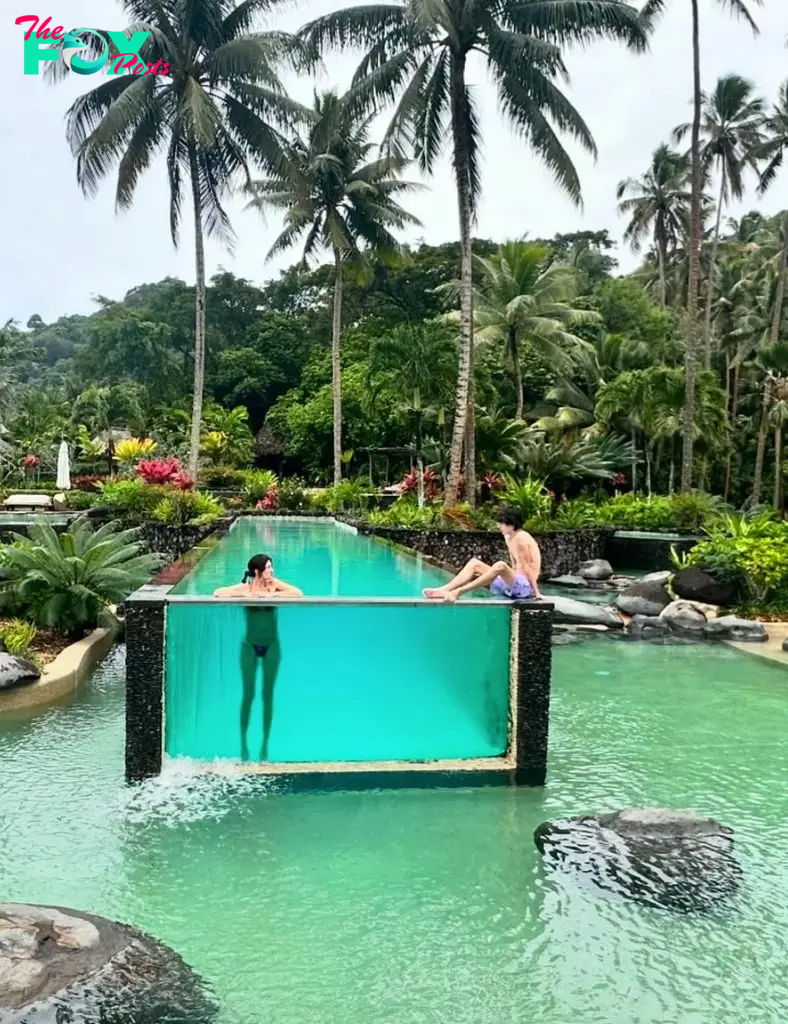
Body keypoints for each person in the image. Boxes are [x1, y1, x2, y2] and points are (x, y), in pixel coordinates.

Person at [214, 554, 302, 761]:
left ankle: (265, 743)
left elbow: (298, 594)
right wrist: (247, 596)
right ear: (257, 571)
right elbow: (218, 593)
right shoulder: (245, 587)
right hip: (249, 646)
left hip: (272, 646)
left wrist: (272, 595)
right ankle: (243, 743)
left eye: (272, 567)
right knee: (248, 695)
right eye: (269, 568)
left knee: (267, 695)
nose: (272, 571)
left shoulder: (275, 586)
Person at [423, 506, 542, 603]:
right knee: (475, 563)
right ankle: (443, 589)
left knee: (500, 565)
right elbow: (515, 565)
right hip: (513, 583)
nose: (498, 526)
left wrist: (536, 593)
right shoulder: (508, 537)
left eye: (501, 523)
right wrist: (507, 578)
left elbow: (527, 567)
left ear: (511, 524)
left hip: (524, 587)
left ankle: (458, 591)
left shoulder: (521, 538)